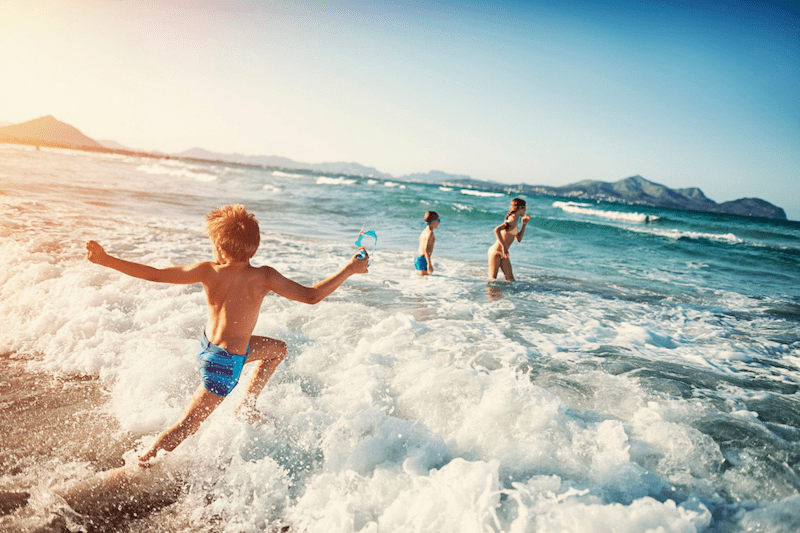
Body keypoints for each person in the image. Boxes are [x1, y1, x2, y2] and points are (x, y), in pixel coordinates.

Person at [85, 204, 369, 466]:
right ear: (253, 247)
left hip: (209, 348)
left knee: (277, 350)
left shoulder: (208, 270)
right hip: (225, 365)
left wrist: (106, 259)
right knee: (187, 426)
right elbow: (311, 296)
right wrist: (350, 269)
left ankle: (246, 405)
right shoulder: (265, 276)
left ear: (219, 247)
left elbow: (155, 275)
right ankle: (141, 464)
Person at [488, 198, 529, 281]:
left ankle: (503, 294)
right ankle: (490, 294)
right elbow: (496, 230)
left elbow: (518, 239)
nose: (525, 210)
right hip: (496, 252)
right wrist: (504, 247)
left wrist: (524, 225)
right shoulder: (512, 220)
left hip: (504, 254)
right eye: (525, 208)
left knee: (510, 280)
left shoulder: (515, 220)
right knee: (492, 280)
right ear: (520, 208)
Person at [414, 211, 440, 276]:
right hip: (423, 259)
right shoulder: (430, 233)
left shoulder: (424, 231)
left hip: (417, 258)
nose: (439, 223)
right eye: (438, 220)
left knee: (421, 282)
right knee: (424, 283)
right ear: (433, 221)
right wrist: (429, 264)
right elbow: (426, 249)